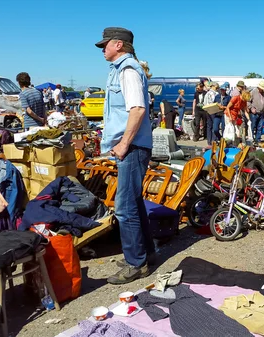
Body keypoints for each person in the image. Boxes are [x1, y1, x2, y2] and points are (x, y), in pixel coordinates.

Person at [95, 27, 154, 284]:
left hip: (131, 146)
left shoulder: (128, 70)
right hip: (129, 145)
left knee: (125, 206)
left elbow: (138, 109)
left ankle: (136, 264)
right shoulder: (120, 70)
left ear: (118, 44)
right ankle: (145, 253)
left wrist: (124, 143)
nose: (103, 49)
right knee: (134, 201)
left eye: (105, 44)